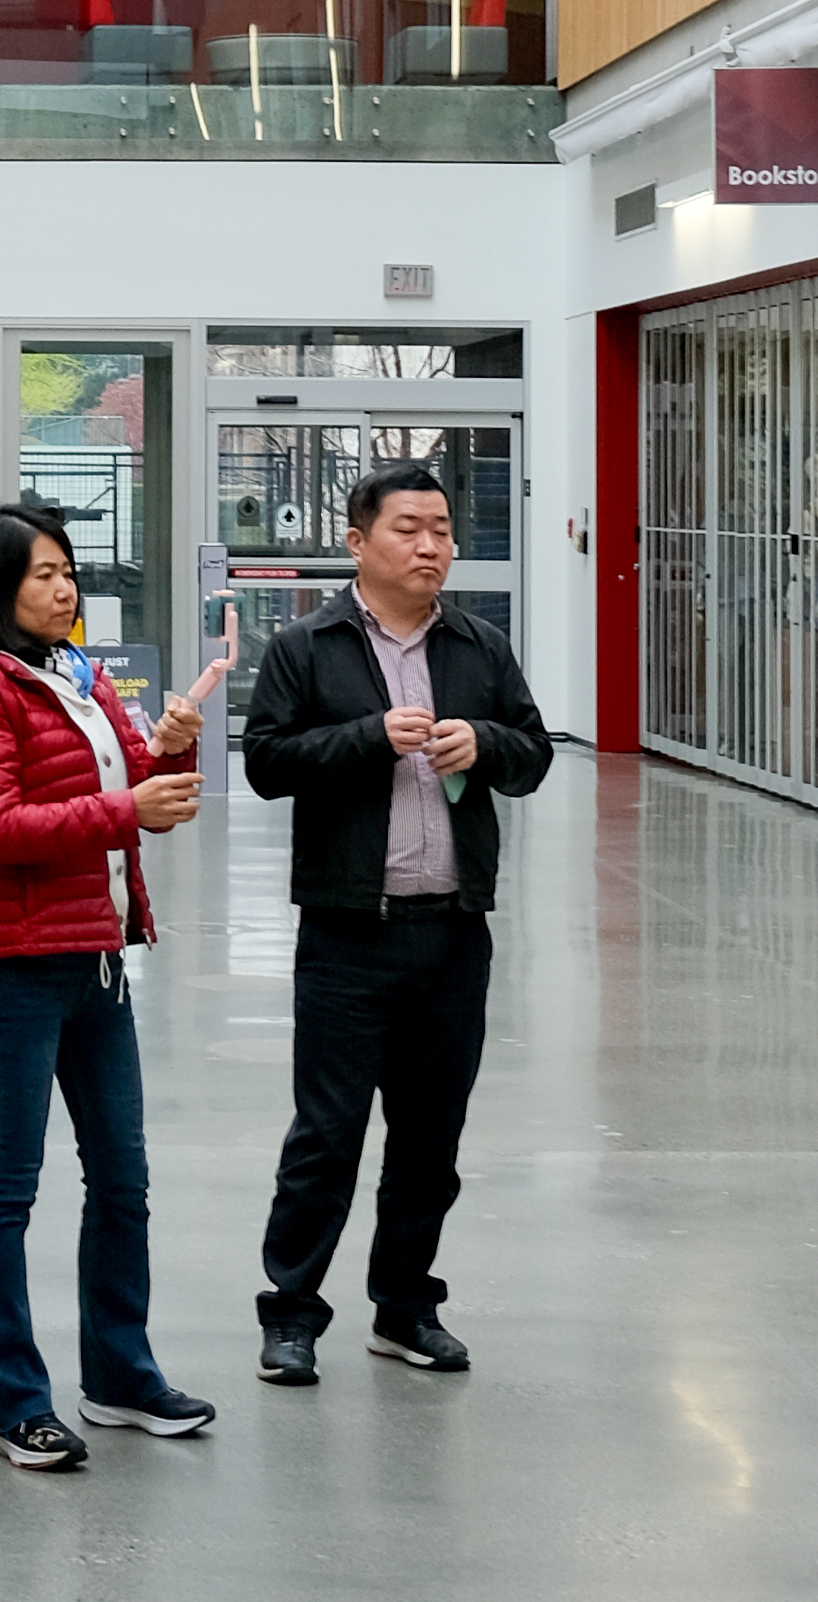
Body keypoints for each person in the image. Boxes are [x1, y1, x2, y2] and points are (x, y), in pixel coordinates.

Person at [238, 457, 554, 1387]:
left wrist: (483, 740)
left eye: (442, 530)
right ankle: (290, 1313)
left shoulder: (478, 645)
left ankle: (405, 1304)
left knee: (430, 1136)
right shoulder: (310, 645)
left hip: (452, 931)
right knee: (325, 1136)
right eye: (408, 529)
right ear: (356, 541)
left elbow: (531, 752)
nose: (430, 546)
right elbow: (265, 762)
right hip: (347, 931)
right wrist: (367, 737)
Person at [0, 499, 229, 1469]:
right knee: (6, 1191)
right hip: (15, 969)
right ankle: (14, 1400)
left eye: (67, 571)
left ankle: (119, 1373)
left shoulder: (74, 672)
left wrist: (175, 744)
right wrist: (123, 803)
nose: (64, 587)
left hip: (96, 960)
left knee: (123, 1178)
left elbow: (141, 786)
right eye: (42, 573)